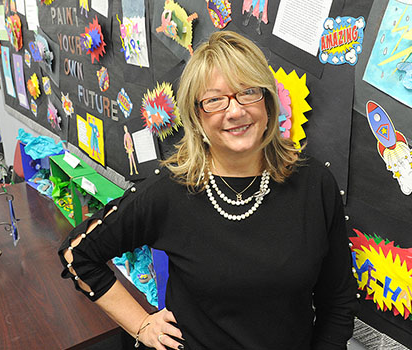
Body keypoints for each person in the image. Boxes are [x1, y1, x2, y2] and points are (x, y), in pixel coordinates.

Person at [58, 30, 358, 350]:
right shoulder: (171, 191)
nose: (235, 110)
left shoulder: (314, 184)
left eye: (248, 92)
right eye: (215, 100)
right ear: (197, 117)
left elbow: (338, 301)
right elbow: (77, 254)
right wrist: (141, 324)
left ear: (268, 102)